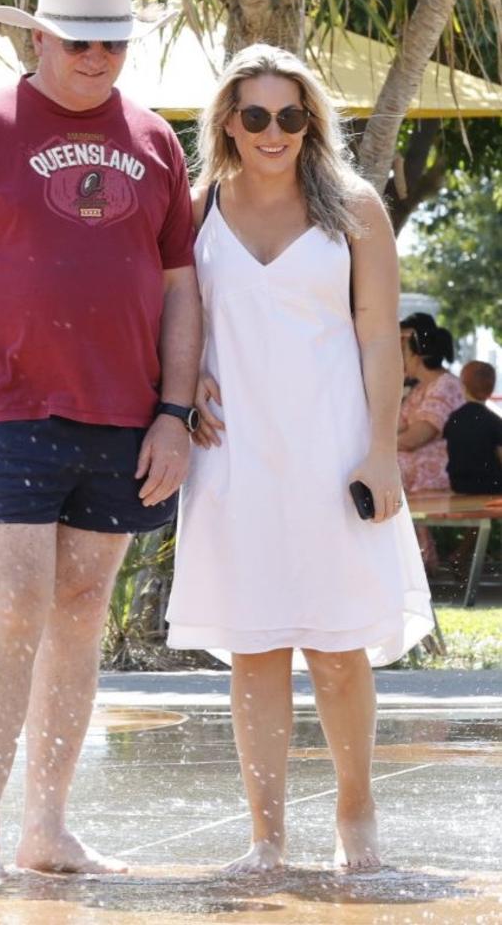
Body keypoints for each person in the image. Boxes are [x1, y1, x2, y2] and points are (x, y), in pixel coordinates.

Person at [0, 0, 201, 879]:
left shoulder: (155, 140)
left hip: (126, 416)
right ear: (42, 37)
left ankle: (46, 826)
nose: (97, 57)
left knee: (78, 611)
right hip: (9, 408)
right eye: (79, 40)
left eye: (112, 40)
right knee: (15, 605)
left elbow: (182, 289)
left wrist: (175, 413)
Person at [165, 44, 434, 874]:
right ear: (228, 124)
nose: (274, 131)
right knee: (255, 650)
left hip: (332, 450)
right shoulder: (197, 205)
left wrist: (380, 455)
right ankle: (266, 837)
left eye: (291, 115)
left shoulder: (354, 207)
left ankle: (358, 819)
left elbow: (378, 340)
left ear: (310, 122)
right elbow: (173, 313)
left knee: (337, 649)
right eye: (256, 116)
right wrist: (186, 378)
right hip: (233, 453)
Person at [398, 312, 464, 492]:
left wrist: (381, 447)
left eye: (403, 349)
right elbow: (396, 427)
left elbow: (416, 437)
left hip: (437, 471)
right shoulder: (420, 389)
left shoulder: (445, 385)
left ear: (416, 354)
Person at [444, 361, 502, 494]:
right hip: (492, 485)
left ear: (463, 385)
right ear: (491, 388)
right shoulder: (494, 420)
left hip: (459, 485)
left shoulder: (454, 418)